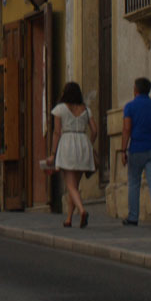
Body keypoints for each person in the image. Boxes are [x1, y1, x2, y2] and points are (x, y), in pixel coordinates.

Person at [46, 82, 97, 228]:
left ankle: (82, 211)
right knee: (75, 185)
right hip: (83, 143)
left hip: (67, 143)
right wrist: (89, 144)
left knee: (70, 186)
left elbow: (56, 132)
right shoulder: (86, 110)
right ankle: (68, 218)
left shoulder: (60, 109)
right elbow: (94, 130)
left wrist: (52, 154)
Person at [120, 76, 151, 227]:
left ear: (135, 90)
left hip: (137, 149)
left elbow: (127, 129)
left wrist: (123, 150)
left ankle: (133, 217)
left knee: (134, 182)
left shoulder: (130, 107)